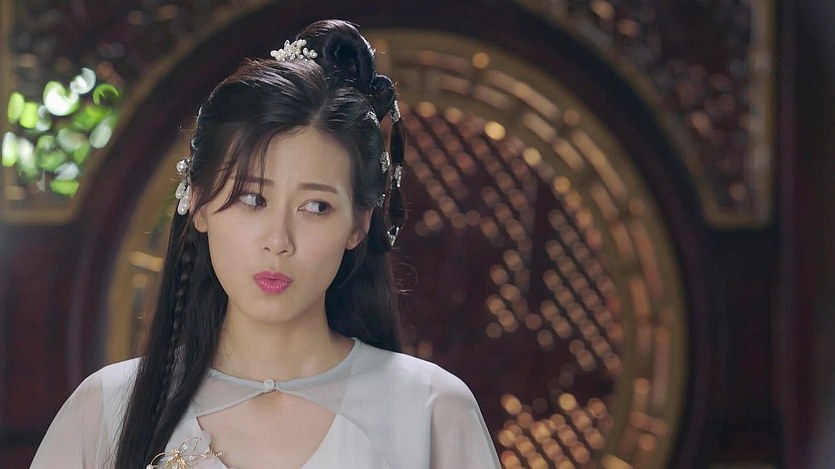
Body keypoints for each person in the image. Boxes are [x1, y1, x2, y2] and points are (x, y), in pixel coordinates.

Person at [30, 19, 500, 469]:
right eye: (252, 199)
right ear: (198, 203)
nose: (278, 241)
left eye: (315, 206)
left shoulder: (431, 410)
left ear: (359, 224)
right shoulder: (108, 409)